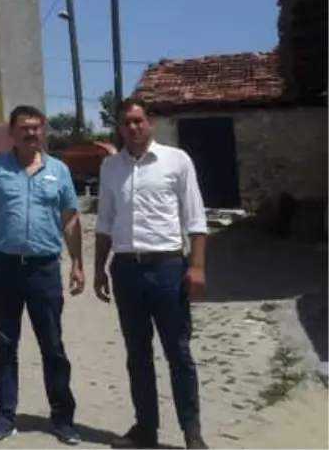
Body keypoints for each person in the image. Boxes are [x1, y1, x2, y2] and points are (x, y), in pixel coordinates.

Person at [94, 97, 210, 450]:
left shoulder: (177, 161)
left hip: (167, 268)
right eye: (126, 123)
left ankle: (192, 433)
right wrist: (99, 268)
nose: (133, 127)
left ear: (150, 123)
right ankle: (145, 428)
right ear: (119, 128)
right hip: (127, 270)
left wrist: (197, 266)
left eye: (138, 121)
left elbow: (195, 218)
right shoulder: (110, 167)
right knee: (137, 354)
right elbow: (104, 221)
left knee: (178, 353)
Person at [0, 104, 84, 446]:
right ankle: (5, 415)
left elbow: (70, 219)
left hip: (44, 268)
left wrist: (77, 262)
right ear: (12, 131)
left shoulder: (59, 170)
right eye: (24, 127)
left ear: (43, 130)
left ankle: (62, 418)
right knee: (4, 344)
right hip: (3, 266)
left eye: (36, 127)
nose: (31, 133)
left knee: (52, 344)